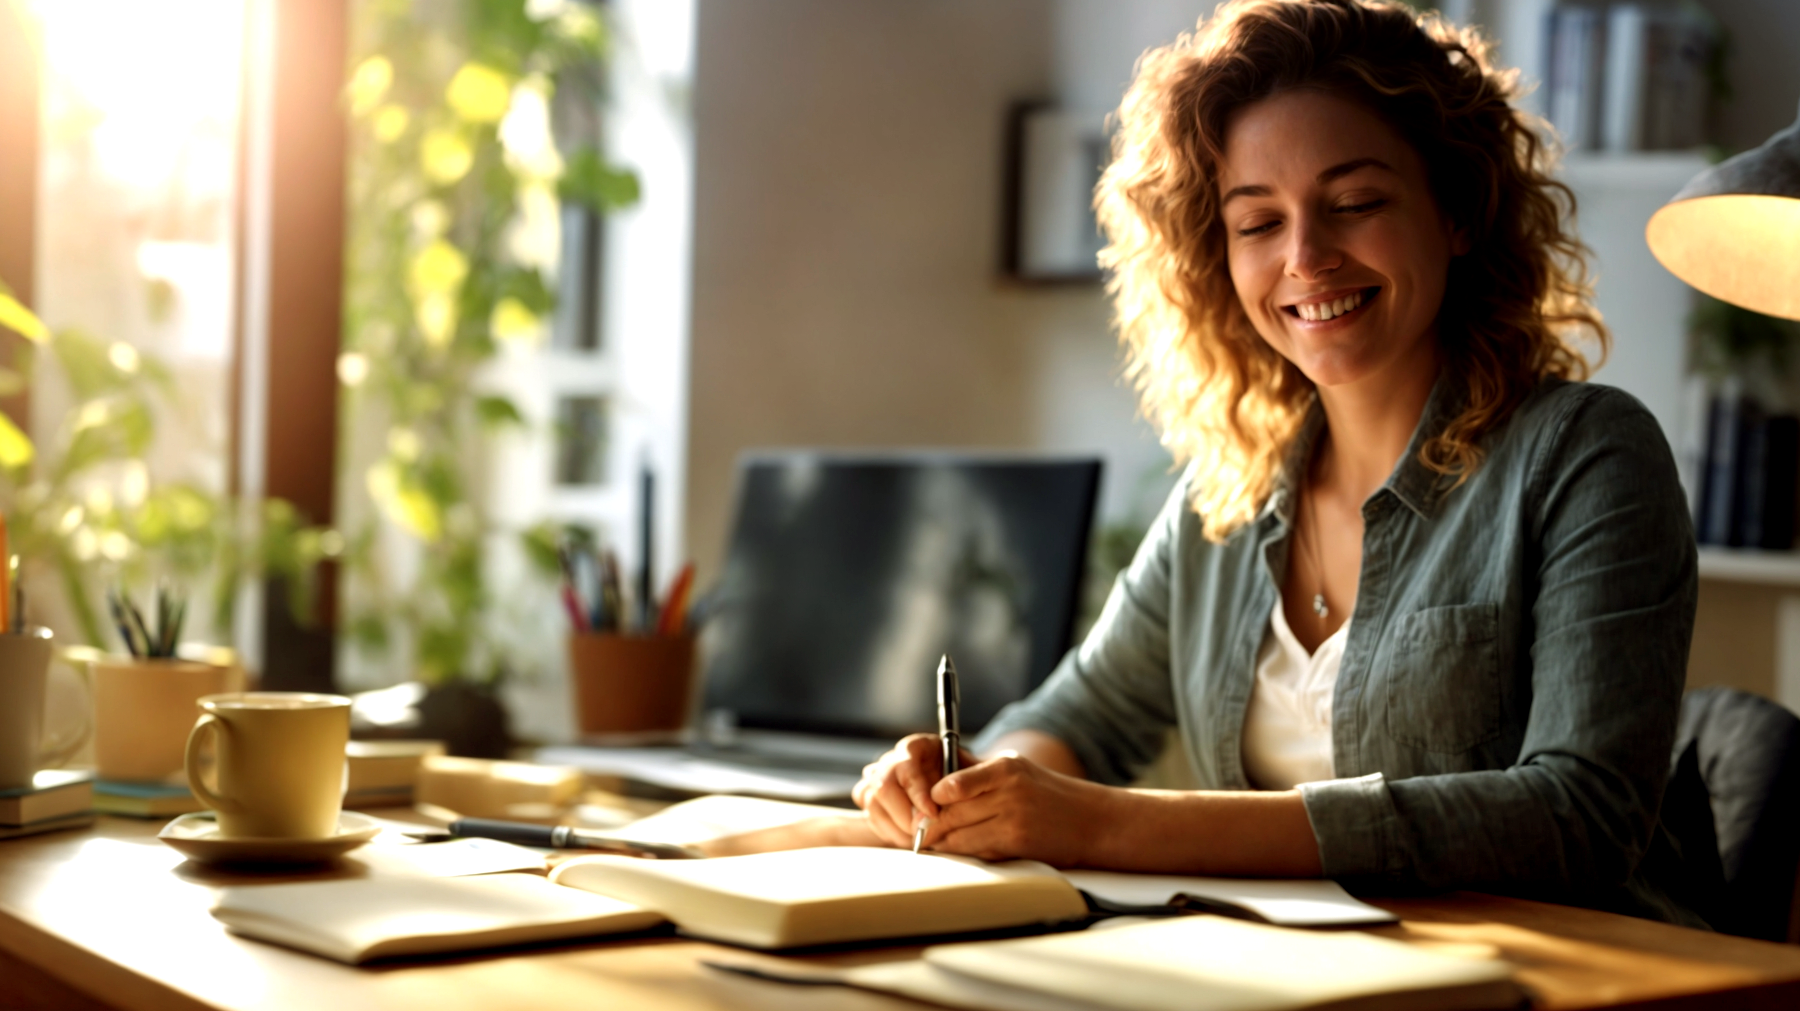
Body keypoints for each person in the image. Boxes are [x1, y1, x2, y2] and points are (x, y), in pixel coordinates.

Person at [851, 0, 1702, 925]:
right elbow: (1075, 720)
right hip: (1311, 973)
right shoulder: (1227, 495)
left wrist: (1119, 826)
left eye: (1356, 203)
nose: (1306, 257)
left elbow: (1579, 816)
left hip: (1580, 977)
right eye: (1258, 223)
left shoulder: (1586, 454)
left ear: (1456, 210)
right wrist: (969, 781)